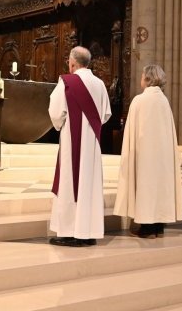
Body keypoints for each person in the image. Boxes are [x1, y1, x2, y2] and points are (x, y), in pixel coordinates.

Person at [48, 46, 112, 247]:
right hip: (91, 144)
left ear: (72, 63)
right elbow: (105, 114)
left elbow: (56, 112)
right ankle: (88, 232)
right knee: (88, 186)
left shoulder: (67, 82)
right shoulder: (100, 84)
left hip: (71, 142)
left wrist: (63, 125)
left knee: (70, 183)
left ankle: (70, 232)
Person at [113, 65, 182, 239]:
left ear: (148, 78)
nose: (141, 78)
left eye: (143, 75)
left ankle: (146, 228)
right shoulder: (164, 101)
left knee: (146, 187)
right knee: (159, 188)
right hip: (162, 157)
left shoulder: (140, 100)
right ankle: (159, 227)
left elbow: (131, 132)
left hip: (145, 156)